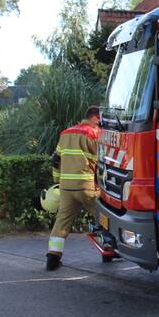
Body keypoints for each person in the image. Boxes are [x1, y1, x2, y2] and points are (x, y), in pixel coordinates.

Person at [46, 106, 113, 271]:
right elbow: (104, 161)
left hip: (66, 187)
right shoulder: (94, 134)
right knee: (104, 218)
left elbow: (56, 159)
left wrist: (57, 179)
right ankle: (109, 252)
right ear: (96, 118)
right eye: (101, 121)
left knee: (62, 222)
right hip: (87, 186)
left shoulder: (65, 133)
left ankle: (52, 259)